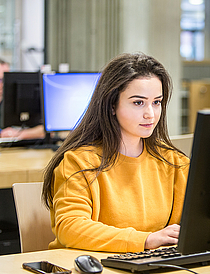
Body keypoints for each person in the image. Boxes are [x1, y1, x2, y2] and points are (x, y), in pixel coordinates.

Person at [41, 52, 190, 253]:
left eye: (157, 102)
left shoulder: (175, 162)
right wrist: (145, 240)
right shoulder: (79, 162)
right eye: (138, 102)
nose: (150, 114)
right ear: (112, 105)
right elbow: (70, 227)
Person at [0, 58, 45, 140]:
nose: (4, 84)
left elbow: (46, 130)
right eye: (1, 80)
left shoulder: (18, 100)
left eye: (7, 79)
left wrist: (20, 134)